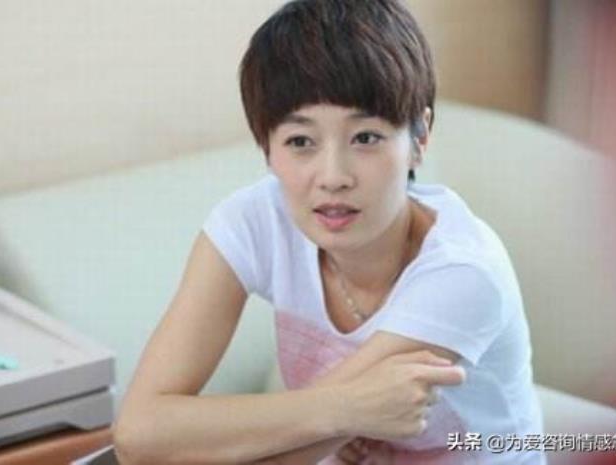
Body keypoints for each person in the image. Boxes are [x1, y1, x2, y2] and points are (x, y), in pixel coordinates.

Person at [113, 1, 545, 464]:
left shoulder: (463, 273)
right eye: (300, 142)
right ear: (267, 149)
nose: (333, 177)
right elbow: (138, 433)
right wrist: (347, 409)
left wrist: (312, 424)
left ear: (419, 138)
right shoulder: (253, 221)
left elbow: (281, 458)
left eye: (366, 138)